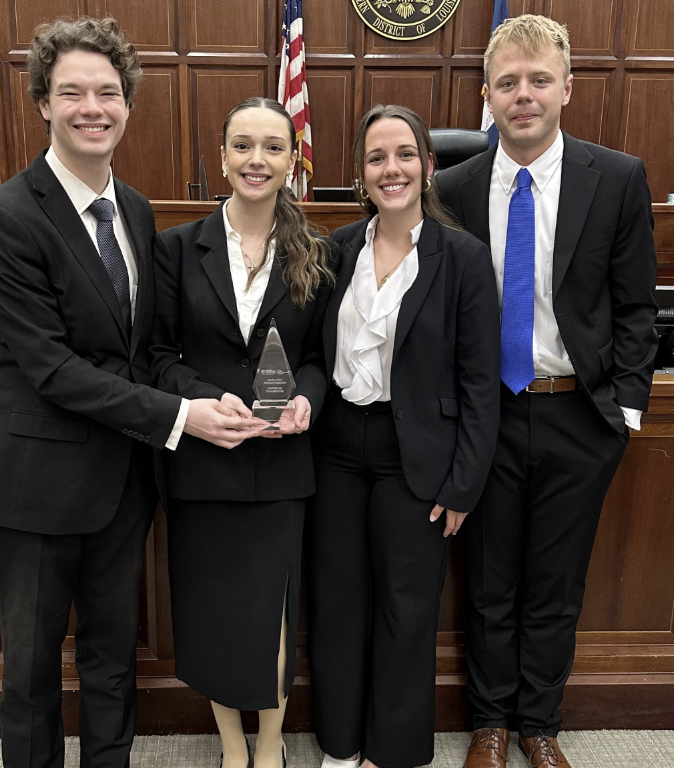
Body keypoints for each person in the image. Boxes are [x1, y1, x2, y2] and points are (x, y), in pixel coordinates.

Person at [0, 17, 256, 768]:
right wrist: (179, 415)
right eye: (71, 93)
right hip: (35, 485)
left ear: (127, 102)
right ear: (42, 103)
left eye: (107, 92)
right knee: (30, 673)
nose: (91, 107)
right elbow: (51, 369)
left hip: (123, 479)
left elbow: (144, 348)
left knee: (110, 655)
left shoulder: (133, 209)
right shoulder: (5, 217)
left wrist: (206, 395)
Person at [435, 15, 658, 768]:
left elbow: (635, 308)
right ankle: (490, 724)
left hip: (578, 414)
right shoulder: (452, 187)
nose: (523, 95)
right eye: (508, 83)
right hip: (488, 414)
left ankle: (540, 725)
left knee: (556, 584)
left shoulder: (618, 177)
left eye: (538, 81)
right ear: (487, 94)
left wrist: (622, 412)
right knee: (490, 581)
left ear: (567, 87)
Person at [306, 104, 501, 768]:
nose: (392, 169)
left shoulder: (464, 259)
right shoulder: (335, 250)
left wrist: (465, 483)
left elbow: (480, 381)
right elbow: (308, 353)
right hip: (335, 448)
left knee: (405, 608)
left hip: (413, 456)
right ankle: (340, 743)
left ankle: (390, 752)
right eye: (376, 158)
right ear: (359, 175)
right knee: (336, 602)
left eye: (404, 155)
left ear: (428, 165)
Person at [150, 97, 336, 768]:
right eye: (243, 146)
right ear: (223, 157)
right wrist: (206, 398)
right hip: (204, 460)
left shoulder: (315, 252)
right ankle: (232, 746)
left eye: (273, 147)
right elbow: (159, 358)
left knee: (274, 613)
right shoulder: (174, 248)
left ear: (293, 159)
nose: (258, 159)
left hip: (283, 466)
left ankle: (268, 745)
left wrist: (308, 400)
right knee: (214, 615)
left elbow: (317, 359)